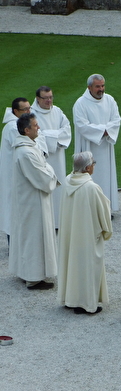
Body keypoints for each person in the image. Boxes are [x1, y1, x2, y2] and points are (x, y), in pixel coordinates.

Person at [57, 151, 112, 314]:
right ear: (88, 168)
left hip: (70, 232)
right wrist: (106, 227)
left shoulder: (68, 181)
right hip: (87, 234)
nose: (94, 165)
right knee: (87, 266)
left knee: (71, 263)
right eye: (93, 163)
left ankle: (71, 299)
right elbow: (103, 212)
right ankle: (86, 303)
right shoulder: (91, 188)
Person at [9, 113, 58, 290]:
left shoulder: (28, 147)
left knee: (29, 235)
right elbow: (43, 176)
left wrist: (47, 168)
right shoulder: (26, 152)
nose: (38, 128)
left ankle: (27, 272)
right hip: (33, 202)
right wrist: (51, 172)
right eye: (35, 125)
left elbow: (44, 166)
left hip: (30, 200)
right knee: (33, 237)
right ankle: (33, 277)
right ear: (26, 130)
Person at [0, 98, 47, 242]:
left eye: (29, 108)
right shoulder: (13, 127)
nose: (28, 112)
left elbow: (40, 139)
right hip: (14, 176)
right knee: (15, 211)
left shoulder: (21, 125)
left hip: (19, 173)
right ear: (15, 112)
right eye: (25, 109)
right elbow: (32, 144)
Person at [73, 73, 121, 212]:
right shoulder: (80, 103)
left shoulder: (110, 100)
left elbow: (116, 120)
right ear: (89, 87)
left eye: (102, 85)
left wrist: (105, 131)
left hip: (105, 147)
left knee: (106, 176)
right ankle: (90, 209)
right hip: (89, 147)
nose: (101, 89)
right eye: (97, 86)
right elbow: (82, 125)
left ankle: (106, 208)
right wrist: (104, 130)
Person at [31, 86, 72, 228]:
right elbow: (36, 136)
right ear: (38, 99)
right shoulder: (32, 115)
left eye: (51, 97)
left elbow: (66, 131)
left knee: (59, 188)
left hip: (58, 158)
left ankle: (59, 221)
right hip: (43, 159)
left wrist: (49, 135)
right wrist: (55, 135)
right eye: (45, 98)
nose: (49, 100)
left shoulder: (57, 111)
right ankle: (46, 224)